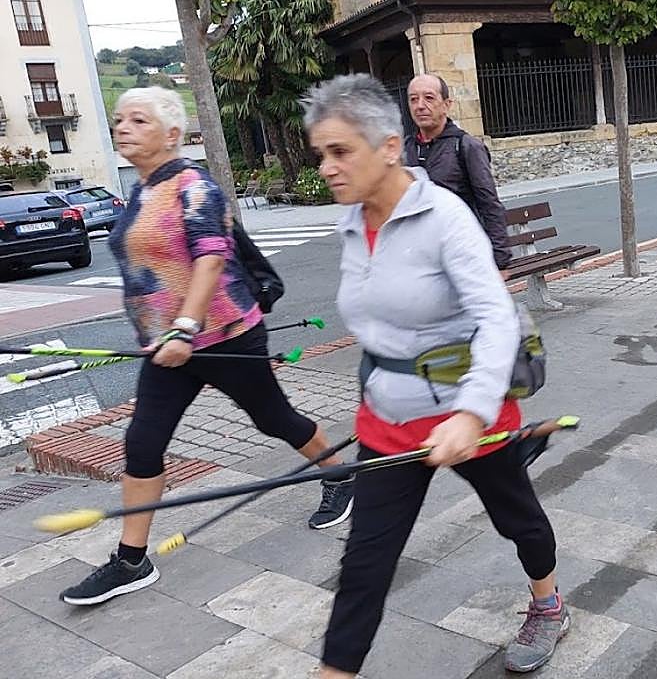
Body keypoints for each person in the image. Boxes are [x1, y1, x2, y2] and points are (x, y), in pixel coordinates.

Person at [305, 75, 566, 677]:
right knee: (365, 567)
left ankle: (547, 605)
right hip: (389, 425)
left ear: (389, 146)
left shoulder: (444, 218)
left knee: (517, 521)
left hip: (468, 414)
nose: (326, 167)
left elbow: (497, 318)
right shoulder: (351, 220)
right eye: (321, 153)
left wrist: (470, 415)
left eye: (340, 151)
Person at [60, 87, 352, 607]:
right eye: (119, 119)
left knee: (274, 419)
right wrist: (163, 330)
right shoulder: (141, 192)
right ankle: (131, 559)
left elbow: (212, 258)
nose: (122, 127)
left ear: (172, 134)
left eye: (138, 120)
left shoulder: (195, 187)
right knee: (143, 443)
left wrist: (186, 326)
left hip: (223, 338)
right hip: (166, 349)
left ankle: (338, 474)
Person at [404, 73, 511, 269]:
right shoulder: (406, 148)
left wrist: (499, 259)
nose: (420, 105)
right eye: (413, 99)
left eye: (429, 98)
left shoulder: (466, 146)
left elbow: (489, 203)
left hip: (462, 252)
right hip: (421, 257)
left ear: (446, 104)